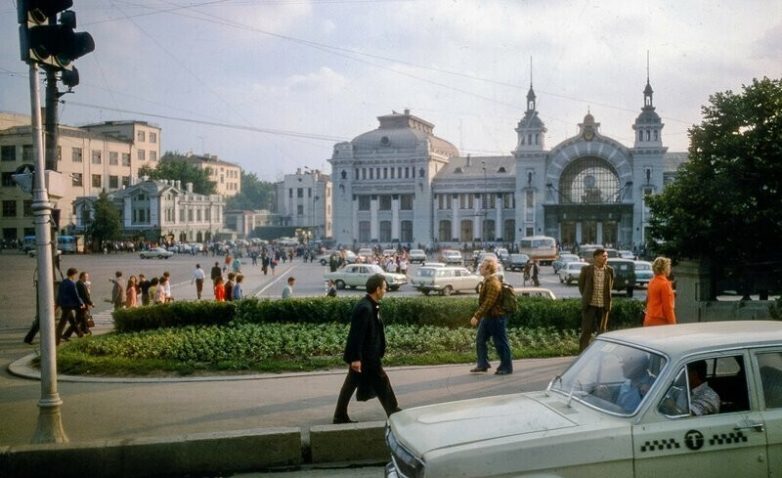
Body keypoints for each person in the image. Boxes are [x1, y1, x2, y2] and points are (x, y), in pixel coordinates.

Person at [332, 274, 401, 424]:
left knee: (353, 384)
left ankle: (340, 415)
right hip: (366, 357)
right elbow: (356, 335)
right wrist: (356, 359)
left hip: (368, 356)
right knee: (381, 382)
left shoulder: (370, 305)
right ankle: (393, 411)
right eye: (384, 288)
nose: (386, 291)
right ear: (377, 289)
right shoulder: (365, 308)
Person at [469, 257, 513, 375]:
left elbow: (488, 302)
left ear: (488, 269)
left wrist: (476, 316)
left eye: (482, 266)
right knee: (480, 339)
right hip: (488, 317)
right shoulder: (487, 281)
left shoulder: (493, 283)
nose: (480, 268)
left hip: (497, 318)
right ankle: (482, 364)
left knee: (500, 342)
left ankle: (506, 367)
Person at [577, 248, 614, 352]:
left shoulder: (609, 270)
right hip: (590, 305)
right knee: (586, 330)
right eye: (603, 256)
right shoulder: (586, 270)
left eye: (606, 256)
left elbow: (610, 286)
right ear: (596, 257)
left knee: (602, 331)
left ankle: (599, 353)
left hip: (603, 305)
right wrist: (587, 297)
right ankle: (583, 353)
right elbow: (581, 286)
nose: (606, 258)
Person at [643, 256, 676, 326]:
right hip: (660, 322)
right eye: (668, 267)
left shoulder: (651, 282)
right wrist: (673, 324)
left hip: (648, 319)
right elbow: (668, 308)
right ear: (664, 269)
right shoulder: (665, 284)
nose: (670, 269)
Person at [55, 268, 84, 345]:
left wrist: (58, 304)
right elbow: (76, 295)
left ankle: (80, 334)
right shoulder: (72, 284)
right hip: (69, 305)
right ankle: (56, 340)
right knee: (62, 323)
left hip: (63, 305)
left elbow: (59, 294)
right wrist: (81, 303)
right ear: (73, 274)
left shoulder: (63, 282)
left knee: (72, 321)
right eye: (75, 275)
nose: (75, 276)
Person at [64, 271, 94, 340]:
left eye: (87, 277)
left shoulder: (79, 283)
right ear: (82, 276)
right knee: (78, 320)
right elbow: (85, 296)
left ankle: (84, 331)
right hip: (81, 305)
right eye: (86, 276)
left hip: (80, 305)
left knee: (82, 319)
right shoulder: (80, 284)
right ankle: (66, 335)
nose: (87, 278)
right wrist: (91, 303)